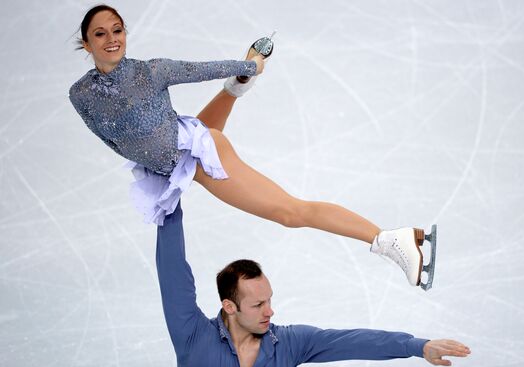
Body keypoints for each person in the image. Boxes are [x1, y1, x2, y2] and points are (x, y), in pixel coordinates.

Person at [69, 5, 436, 288]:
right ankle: (235, 89)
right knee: (189, 138)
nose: (111, 39)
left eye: (117, 30)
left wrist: (252, 63)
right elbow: (116, 140)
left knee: (291, 213)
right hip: (182, 151)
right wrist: (164, 165)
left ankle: (390, 240)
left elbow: (201, 68)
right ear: (86, 43)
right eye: (100, 34)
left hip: (200, 153)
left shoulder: (151, 71)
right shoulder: (80, 94)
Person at [156, 201, 470, 366]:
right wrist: (170, 200)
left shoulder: (287, 344)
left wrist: (419, 347)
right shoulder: (193, 335)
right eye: (257, 305)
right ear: (229, 306)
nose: (270, 311)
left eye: (268, 300)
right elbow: (172, 271)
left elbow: (354, 341)